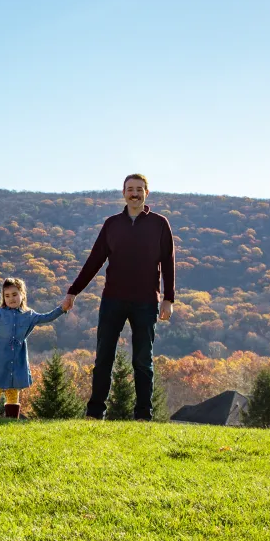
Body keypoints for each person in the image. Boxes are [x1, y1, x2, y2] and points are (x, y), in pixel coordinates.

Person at [62, 173, 175, 420]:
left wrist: (169, 298)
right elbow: (94, 260)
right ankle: (94, 413)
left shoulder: (159, 224)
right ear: (123, 193)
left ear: (147, 192)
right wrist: (74, 291)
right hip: (113, 299)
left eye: (139, 189)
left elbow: (168, 262)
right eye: (130, 189)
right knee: (103, 358)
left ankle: (144, 415)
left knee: (143, 361)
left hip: (146, 302)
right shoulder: (112, 224)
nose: (134, 193)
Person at [0, 278, 68, 419]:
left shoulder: (29, 315)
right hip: (0, 358)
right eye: (7, 296)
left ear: (22, 294)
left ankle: (11, 421)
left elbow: (47, 317)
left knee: (13, 390)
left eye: (14, 294)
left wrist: (62, 309)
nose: (11, 298)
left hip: (18, 358)